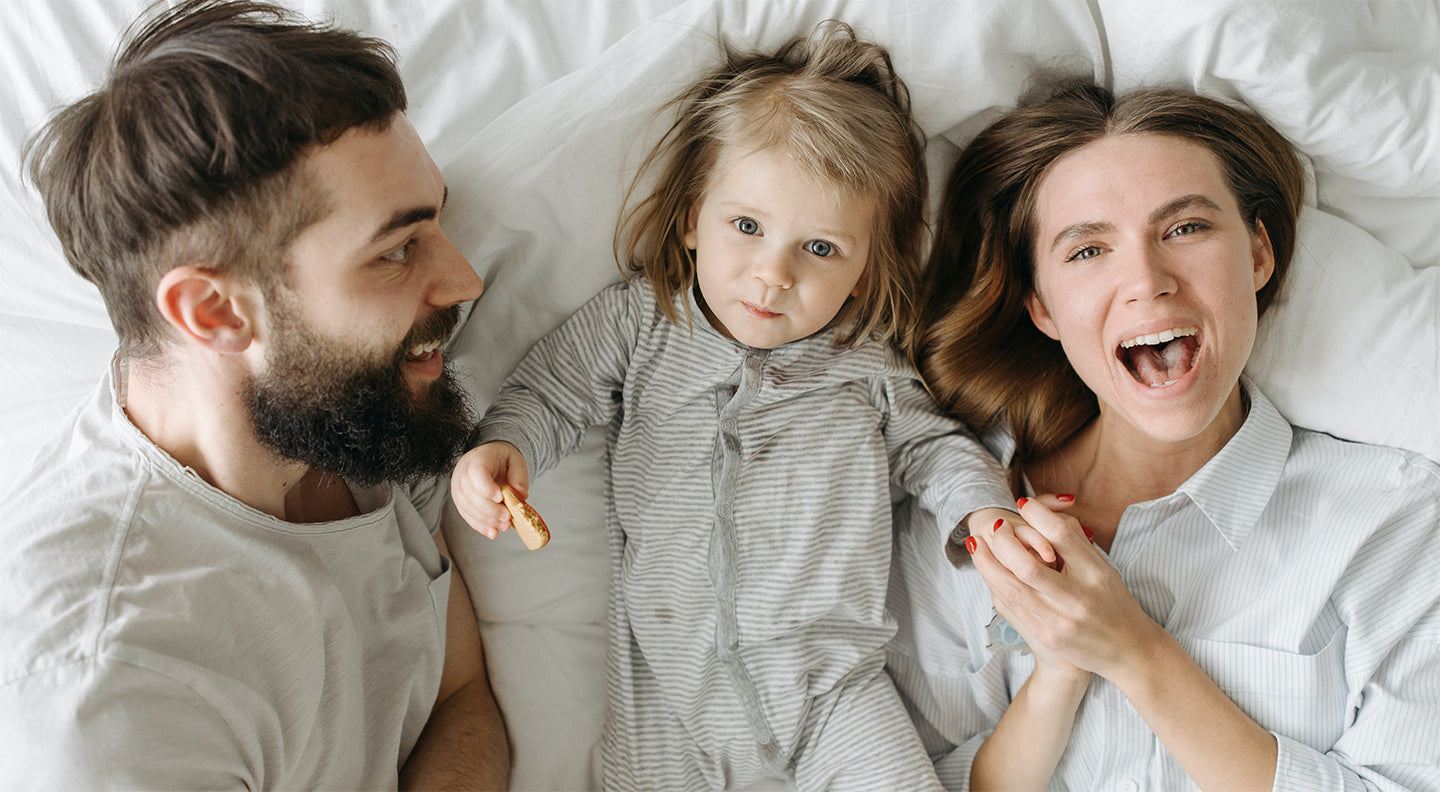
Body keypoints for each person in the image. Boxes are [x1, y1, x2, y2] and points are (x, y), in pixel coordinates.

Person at [449, 22, 1018, 792]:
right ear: (691, 219)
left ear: (865, 271)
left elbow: (936, 449)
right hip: (665, 709)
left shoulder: (865, 365)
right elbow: (549, 393)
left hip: (832, 696)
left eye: (819, 249)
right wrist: (501, 450)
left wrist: (983, 515)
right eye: (746, 227)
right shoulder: (642, 322)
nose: (771, 274)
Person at [0, 1, 509, 788]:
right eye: (398, 249)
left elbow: (461, 697)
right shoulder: (110, 693)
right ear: (214, 311)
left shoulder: (343, 421)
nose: (465, 280)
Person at [886, 77, 1440, 791]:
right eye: (1087, 250)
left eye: (1186, 228)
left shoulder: (1397, 527)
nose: (1147, 280)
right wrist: (1058, 671)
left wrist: (1135, 652)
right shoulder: (954, 520)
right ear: (1041, 305)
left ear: (1259, 256)